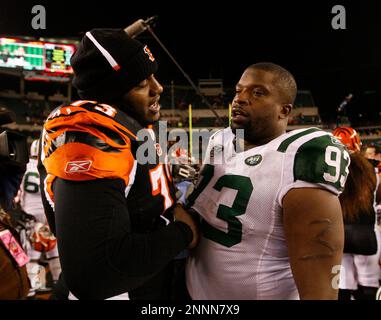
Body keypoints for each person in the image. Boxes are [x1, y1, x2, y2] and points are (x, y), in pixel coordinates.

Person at [37, 28, 198, 300]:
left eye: (152, 76)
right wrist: (183, 232)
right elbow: (96, 275)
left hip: (148, 282)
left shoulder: (129, 124)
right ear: (109, 93)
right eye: (140, 83)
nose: (157, 87)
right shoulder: (91, 133)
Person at [185, 62, 349, 300]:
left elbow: (318, 259)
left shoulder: (297, 159)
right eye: (238, 90)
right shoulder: (220, 140)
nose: (240, 99)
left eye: (258, 92)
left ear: (284, 110)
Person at [333, 127, 381, 300]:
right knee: (368, 279)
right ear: (358, 145)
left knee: (343, 282)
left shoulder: (328, 171)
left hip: (338, 234)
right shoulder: (373, 170)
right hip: (367, 233)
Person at [19, 139, 61, 297]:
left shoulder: (24, 167)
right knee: (54, 249)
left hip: (30, 214)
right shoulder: (50, 165)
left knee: (31, 252)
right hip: (49, 211)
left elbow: (19, 191)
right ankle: (58, 282)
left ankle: (32, 286)